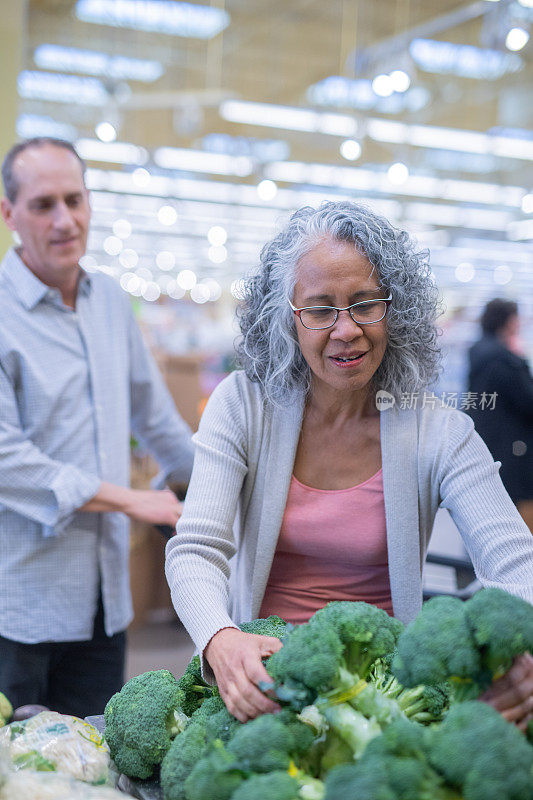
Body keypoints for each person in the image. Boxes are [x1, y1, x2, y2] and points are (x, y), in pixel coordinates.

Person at [165, 201, 533, 728]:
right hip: (265, 682)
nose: (347, 329)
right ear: (285, 318)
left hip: (385, 697)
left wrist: (514, 648)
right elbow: (196, 550)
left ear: (395, 308)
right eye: (319, 309)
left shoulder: (437, 429)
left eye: (366, 304)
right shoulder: (242, 405)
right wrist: (220, 639)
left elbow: (517, 561)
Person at [0, 137, 195, 717]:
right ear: (8, 213)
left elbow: (155, 417)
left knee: (96, 765)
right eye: (43, 205)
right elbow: (9, 461)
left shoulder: (110, 300)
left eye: (74, 200)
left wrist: (236, 481)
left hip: (105, 604)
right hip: (21, 603)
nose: (65, 220)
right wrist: (132, 500)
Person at [468, 298, 533, 530]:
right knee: (515, 515)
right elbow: (528, 403)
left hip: (487, 441)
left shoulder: (478, 351)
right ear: (506, 321)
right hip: (513, 447)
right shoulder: (505, 360)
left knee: (488, 510)